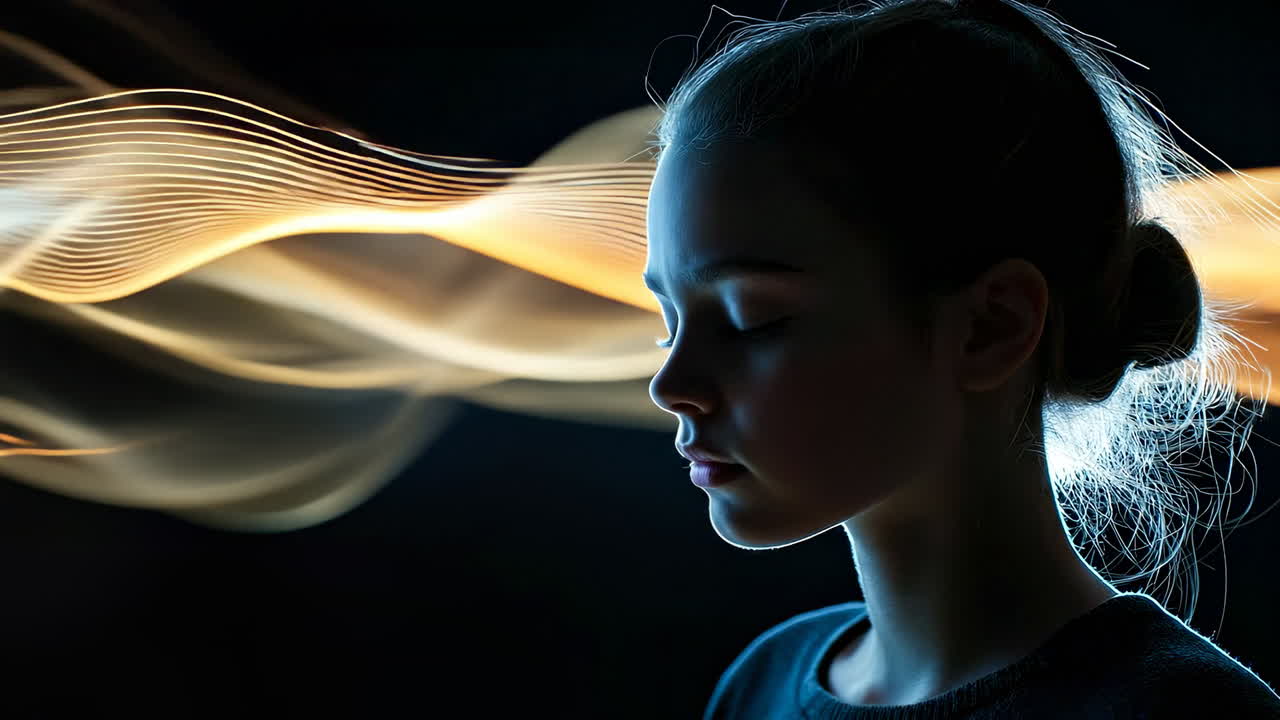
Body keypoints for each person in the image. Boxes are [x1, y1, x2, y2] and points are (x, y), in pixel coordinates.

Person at [640, 0, 1280, 716]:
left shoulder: (1178, 712)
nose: (672, 385)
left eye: (751, 319)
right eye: (669, 321)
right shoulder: (759, 682)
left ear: (990, 326)